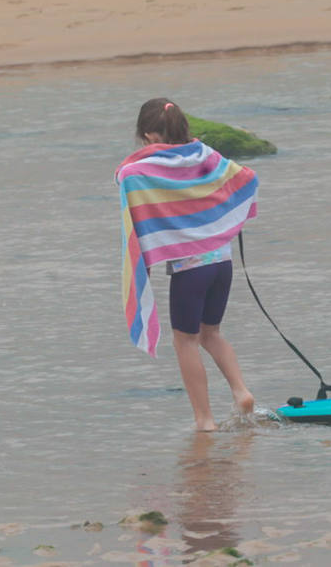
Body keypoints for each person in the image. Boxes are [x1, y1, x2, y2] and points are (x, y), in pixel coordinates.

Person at [116, 99, 257, 431]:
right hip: (222, 262)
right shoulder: (206, 155)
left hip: (191, 269)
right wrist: (228, 218)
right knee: (212, 334)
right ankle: (241, 390)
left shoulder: (146, 170)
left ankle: (204, 419)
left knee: (185, 340)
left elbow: (125, 175)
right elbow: (245, 177)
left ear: (150, 135)